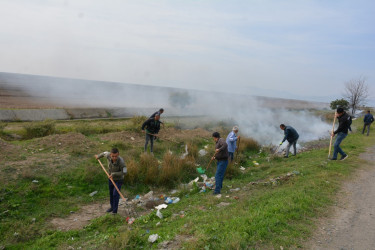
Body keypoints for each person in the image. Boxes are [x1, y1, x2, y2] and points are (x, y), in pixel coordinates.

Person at [95, 148, 127, 214]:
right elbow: (104, 153)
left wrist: (114, 174)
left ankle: (114, 211)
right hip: (111, 179)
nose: (114, 158)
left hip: (119, 180)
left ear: (118, 154)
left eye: (116, 156)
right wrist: (98, 156)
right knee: (111, 193)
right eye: (113, 156)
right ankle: (112, 207)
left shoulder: (121, 162)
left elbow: (125, 172)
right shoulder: (108, 155)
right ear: (110, 155)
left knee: (115, 194)